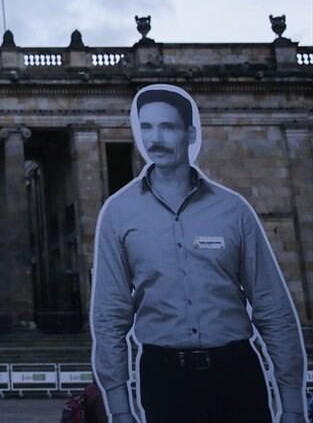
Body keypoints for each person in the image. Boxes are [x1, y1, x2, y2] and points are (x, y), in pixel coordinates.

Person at [90, 84, 307, 423]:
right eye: (146, 127)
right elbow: (109, 314)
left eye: (168, 127)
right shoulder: (118, 214)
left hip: (237, 370)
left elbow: (271, 306)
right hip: (164, 378)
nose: (155, 138)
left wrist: (293, 403)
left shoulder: (233, 210)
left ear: (191, 133)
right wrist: (119, 406)